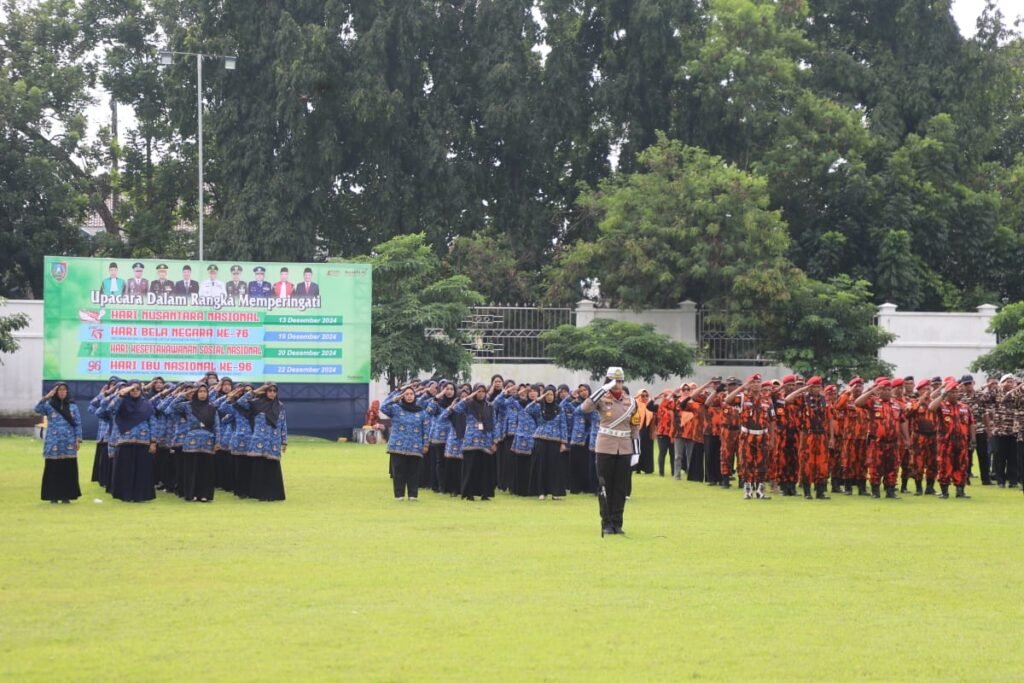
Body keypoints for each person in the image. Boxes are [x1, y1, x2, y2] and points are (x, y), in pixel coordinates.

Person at [582, 367, 637, 536]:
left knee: (620, 488)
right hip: (605, 447)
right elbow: (585, 408)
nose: (617, 385)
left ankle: (617, 523)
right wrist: (602, 389)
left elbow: (635, 426)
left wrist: (636, 451)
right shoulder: (601, 397)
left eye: (620, 381)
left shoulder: (631, 401)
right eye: (614, 381)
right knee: (605, 486)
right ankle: (606, 523)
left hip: (625, 448)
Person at [724, 375, 777, 500]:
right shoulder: (743, 398)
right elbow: (727, 400)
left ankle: (760, 491)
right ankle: (748, 490)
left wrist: (772, 439)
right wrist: (742, 387)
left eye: (758, 382)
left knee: (762, 464)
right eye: (753, 382)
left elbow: (772, 420)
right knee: (746, 463)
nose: (756, 384)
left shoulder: (767, 400)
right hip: (747, 435)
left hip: (763, 435)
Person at [855, 378, 910, 499]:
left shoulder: (896, 405)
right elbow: (857, 403)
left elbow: (903, 422)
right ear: (879, 391)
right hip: (877, 442)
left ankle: (890, 490)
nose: (886, 392)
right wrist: (871, 391)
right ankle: (875, 491)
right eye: (884, 390)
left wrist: (907, 439)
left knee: (893, 467)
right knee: (875, 466)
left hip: (893, 442)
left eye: (889, 389)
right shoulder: (873, 402)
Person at [108, 381, 158, 502]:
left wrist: (153, 442)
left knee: (142, 470)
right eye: (132, 390)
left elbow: (153, 423)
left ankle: (140, 496)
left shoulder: (147, 404)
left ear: (141, 391)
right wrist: (120, 395)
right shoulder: (121, 403)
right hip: (125, 441)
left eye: (137, 389)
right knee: (125, 470)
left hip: (143, 442)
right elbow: (110, 408)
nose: (135, 392)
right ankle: (125, 495)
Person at [447, 384, 499, 501]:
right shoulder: (468, 405)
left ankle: (485, 494)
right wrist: (467, 398)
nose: (480, 394)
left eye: (482, 392)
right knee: (470, 469)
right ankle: (468, 493)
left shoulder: (489, 406)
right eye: (478, 391)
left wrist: (494, 441)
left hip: (486, 440)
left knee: (485, 470)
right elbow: (455, 409)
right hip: (471, 440)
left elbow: (494, 424)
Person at [379, 385, 431, 500]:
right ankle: (399, 495)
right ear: (403, 396)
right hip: (398, 445)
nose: (409, 396)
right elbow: (383, 407)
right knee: (398, 471)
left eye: (411, 394)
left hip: (415, 446)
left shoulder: (421, 412)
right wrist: (395, 398)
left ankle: (412, 495)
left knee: (413, 472)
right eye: (406, 394)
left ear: (415, 396)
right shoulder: (396, 408)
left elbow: (426, 429)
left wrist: (426, 444)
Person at [236, 384, 287, 501]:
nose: (272, 393)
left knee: (272, 468)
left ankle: (274, 494)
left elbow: (283, 424)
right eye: (269, 391)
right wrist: (255, 391)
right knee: (260, 467)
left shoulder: (279, 406)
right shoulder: (256, 404)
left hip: (273, 441)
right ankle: (259, 494)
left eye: (274, 391)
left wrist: (284, 441)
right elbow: (240, 402)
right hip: (259, 440)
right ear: (265, 392)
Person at [34, 382, 83, 503]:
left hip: (69, 442)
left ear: (67, 392)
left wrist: (78, 439)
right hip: (53, 441)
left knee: (68, 469)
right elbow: (37, 409)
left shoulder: (72, 406)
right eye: (59, 390)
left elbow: (77, 424)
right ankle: (53, 496)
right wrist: (47, 397)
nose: (62, 392)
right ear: (55, 392)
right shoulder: (49, 405)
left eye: (64, 390)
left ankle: (67, 496)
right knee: (53, 469)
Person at [172, 385, 219, 502]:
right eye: (200, 391)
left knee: (206, 470)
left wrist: (217, 442)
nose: (202, 394)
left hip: (208, 441)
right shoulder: (188, 406)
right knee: (191, 469)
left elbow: (217, 426)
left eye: (205, 391)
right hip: (191, 441)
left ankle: (204, 495)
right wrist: (183, 395)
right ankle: (191, 493)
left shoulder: (212, 407)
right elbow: (172, 407)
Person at [929, 380, 975, 499]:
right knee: (945, 466)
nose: (954, 394)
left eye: (956, 392)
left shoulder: (965, 407)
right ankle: (944, 491)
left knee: (961, 466)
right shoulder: (942, 406)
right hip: (946, 442)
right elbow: (931, 407)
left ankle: (960, 491)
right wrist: (943, 394)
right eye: (952, 392)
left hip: (961, 442)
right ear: (947, 394)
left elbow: (971, 424)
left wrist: (973, 439)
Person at [525, 385, 569, 500]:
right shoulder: (538, 407)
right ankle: (541, 491)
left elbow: (563, 425)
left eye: (551, 394)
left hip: (555, 440)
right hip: (540, 439)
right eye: (547, 394)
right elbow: (527, 410)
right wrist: (537, 400)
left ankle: (555, 492)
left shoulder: (559, 409)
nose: (549, 397)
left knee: (554, 467)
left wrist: (564, 442)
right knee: (541, 466)